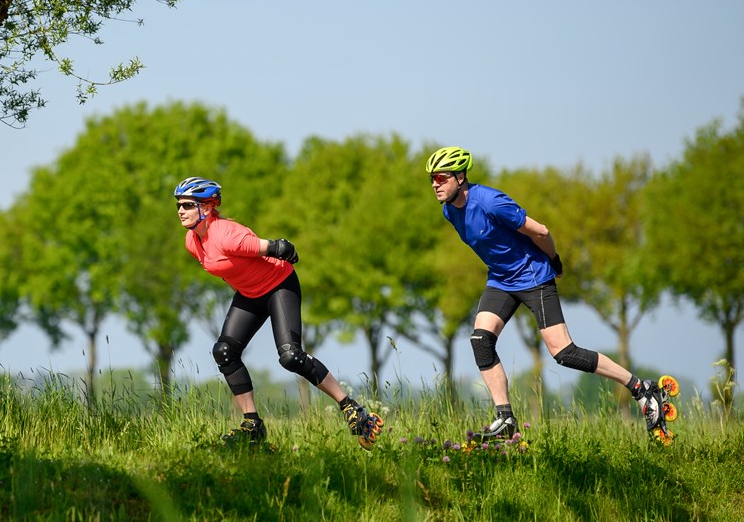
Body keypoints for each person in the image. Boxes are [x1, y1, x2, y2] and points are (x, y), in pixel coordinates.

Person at [425, 147, 678, 444]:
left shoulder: (491, 201)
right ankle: (505, 418)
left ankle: (641, 388)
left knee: (564, 353)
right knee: (481, 341)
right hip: (501, 280)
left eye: (441, 177)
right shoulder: (448, 211)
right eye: (432, 178)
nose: (435, 184)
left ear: (460, 176)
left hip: (533, 276)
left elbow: (541, 232)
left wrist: (554, 261)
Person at [173, 176, 384, 450]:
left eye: (188, 205)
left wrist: (285, 250)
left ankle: (352, 408)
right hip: (250, 294)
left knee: (290, 356)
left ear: (209, 207)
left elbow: (279, 247)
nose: (180, 211)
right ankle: (252, 426)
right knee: (224, 352)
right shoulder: (192, 241)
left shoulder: (227, 234)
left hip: (278, 286)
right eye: (179, 205)